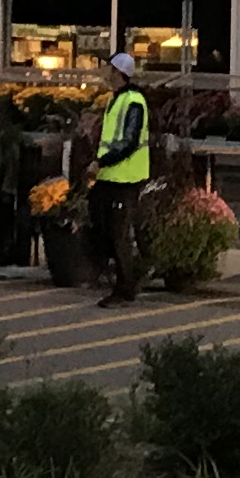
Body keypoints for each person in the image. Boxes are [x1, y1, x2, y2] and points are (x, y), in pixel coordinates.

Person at [88, 52, 152, 306]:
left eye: (109, 68)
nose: (105, 72)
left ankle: (125, 288)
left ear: (118, 73)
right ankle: (123, 278)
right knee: (103, 226)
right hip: (111, 174)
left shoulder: (133, 101)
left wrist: (100, 162)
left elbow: (127, 142)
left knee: (118, 233)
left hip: (126, 176)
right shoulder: (117, 100)